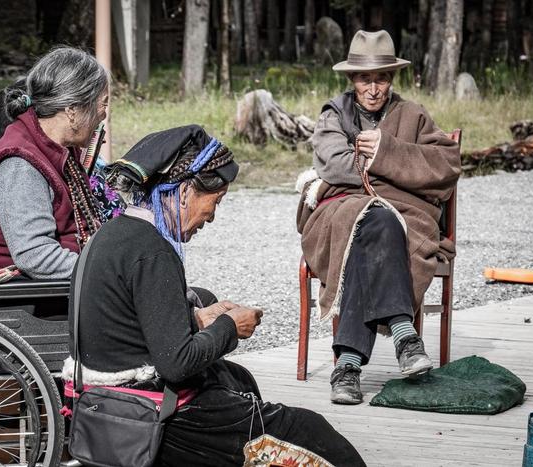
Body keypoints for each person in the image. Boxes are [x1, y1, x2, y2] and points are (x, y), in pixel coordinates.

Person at [64, 125, 365, 466]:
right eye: (215, 200)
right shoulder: (152, 252)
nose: (212, 216)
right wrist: (228, 326)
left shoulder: (115, 234)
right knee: (309, 430)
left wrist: (197, 318)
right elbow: (176, 364)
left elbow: (128, 323)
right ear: (184, 190)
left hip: (105, 397)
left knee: (237, 378)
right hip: (146, 414)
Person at [296, 30, 461, 405]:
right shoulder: (333, 115)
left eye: (382, 78)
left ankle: (348, 366)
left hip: (395, 218)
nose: (373, 87)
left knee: (377, 225)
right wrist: (398, 170)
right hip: (338, 213)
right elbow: (334, 165)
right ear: (352, 79)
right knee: (374, 219)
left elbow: (446, 164)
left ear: (392, 79)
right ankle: (405, 334)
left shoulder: (413, 115)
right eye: (365, 78)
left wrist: (387, 151)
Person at [0, 46, 123, 280]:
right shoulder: (19, 166)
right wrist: (111, 272)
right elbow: (36, 257)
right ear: (72, 110)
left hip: (62, 286)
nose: (103, 115)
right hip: (25, 297)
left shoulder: (59, 150)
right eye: (103, 104)